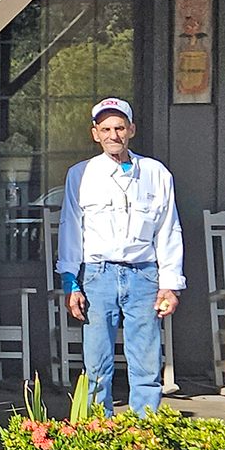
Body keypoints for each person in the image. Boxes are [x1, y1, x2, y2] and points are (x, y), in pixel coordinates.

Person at [56, 98, 185, 416]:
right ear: (95, 134)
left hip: (144, 274)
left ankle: (145, 431)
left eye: (119, 128)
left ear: (131, 130)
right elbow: (71, 229)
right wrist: (71, 282)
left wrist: (170, 284)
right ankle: (98, 429)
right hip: (97, 276)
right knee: (97, 361)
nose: (114, 135)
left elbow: (169, 230)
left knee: (146, 361)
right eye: (106, 129)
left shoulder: (156, 173)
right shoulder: (80, 174)